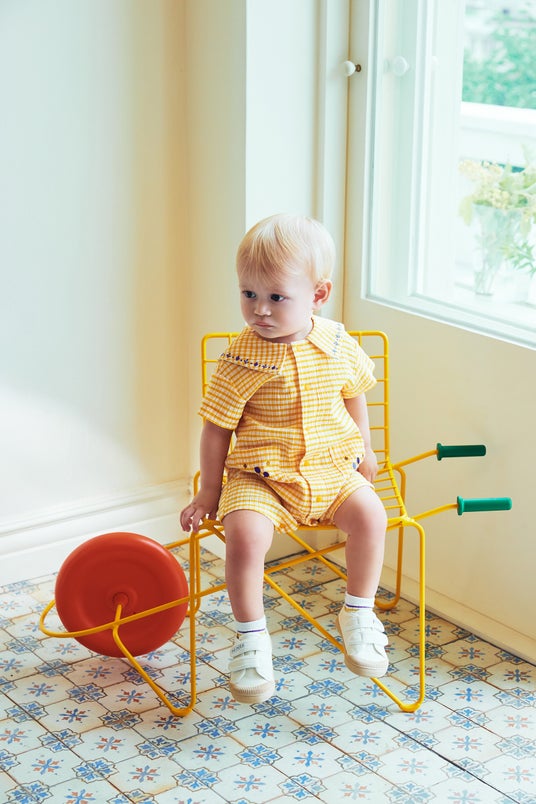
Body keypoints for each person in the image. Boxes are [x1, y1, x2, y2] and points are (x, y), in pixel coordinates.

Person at [180, 214, 388, 704]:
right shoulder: (241, 358)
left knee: (371, 516)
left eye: (276, 297)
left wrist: (365, 448)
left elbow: (355, 395)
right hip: (261, 476)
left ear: (318, 294)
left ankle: (358, 611)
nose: (259, 310)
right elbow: (216, 428)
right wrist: (209, 490)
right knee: (245, 536)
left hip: (331, 468)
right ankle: (251, 636)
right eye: (248, 293)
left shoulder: (336, 343)